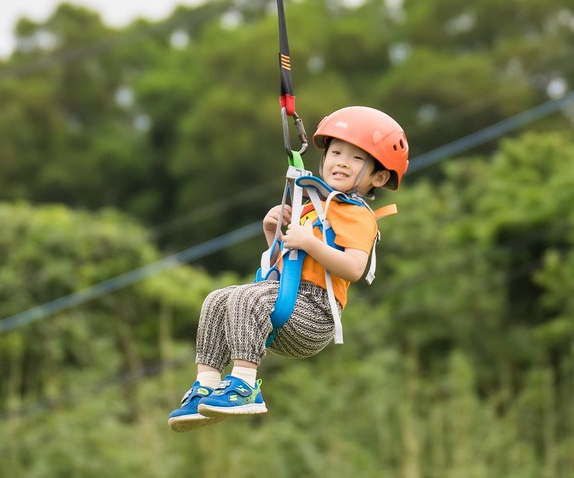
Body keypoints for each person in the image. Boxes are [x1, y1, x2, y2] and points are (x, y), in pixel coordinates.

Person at [168, 105, 409, 432]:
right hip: (288, 298)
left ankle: (244, 386)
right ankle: (206, 387)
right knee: (218, 299)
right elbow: (285, 267)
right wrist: (273, 233)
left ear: (378, 177)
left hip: (316, 313)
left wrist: (309, 242)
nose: (340, 161)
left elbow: (353, 268)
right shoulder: (312, 206)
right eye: (336, 152)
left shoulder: (357, 215)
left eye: (355, 158)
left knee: (246, 300)